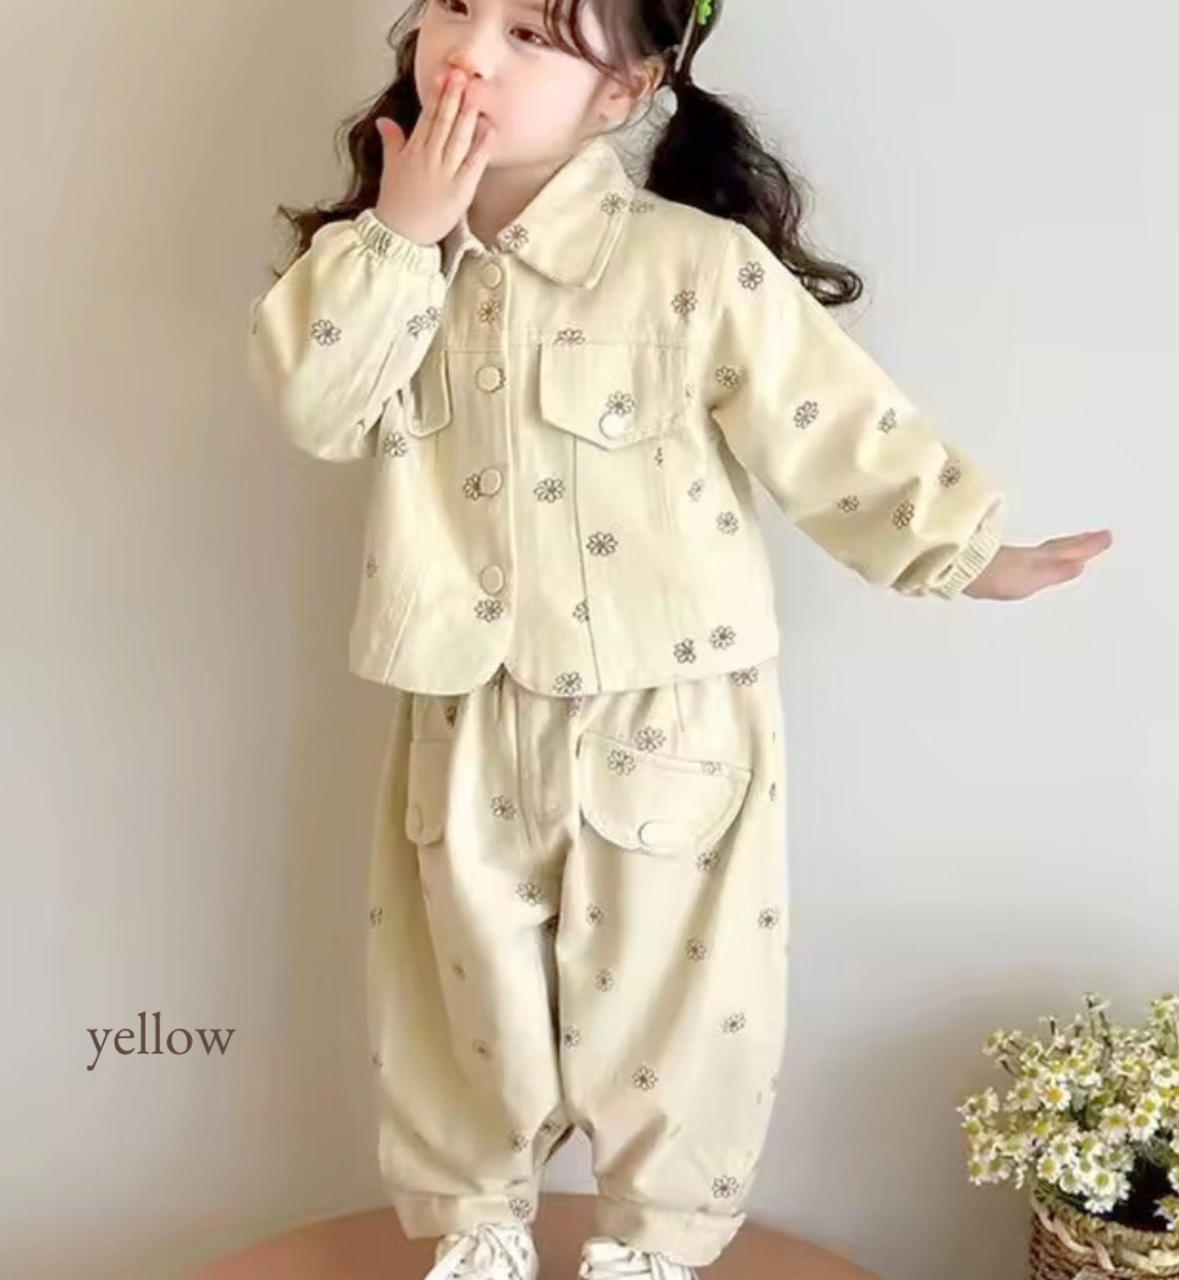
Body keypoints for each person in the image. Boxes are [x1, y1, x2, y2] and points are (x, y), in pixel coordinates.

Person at [245, 1, 1112, 1277]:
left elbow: (825, 421)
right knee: (455, 988)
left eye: (533, 33)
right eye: (455, 7)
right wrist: (400, 234)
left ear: (626, 88)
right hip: (461, 701)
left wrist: (963, 550)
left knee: (679, 996)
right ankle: (475, 1226)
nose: (469, 51)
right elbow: (316, 407)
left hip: (671, 710)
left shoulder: (692, 267)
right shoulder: (382, 267)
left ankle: (654, 1242)